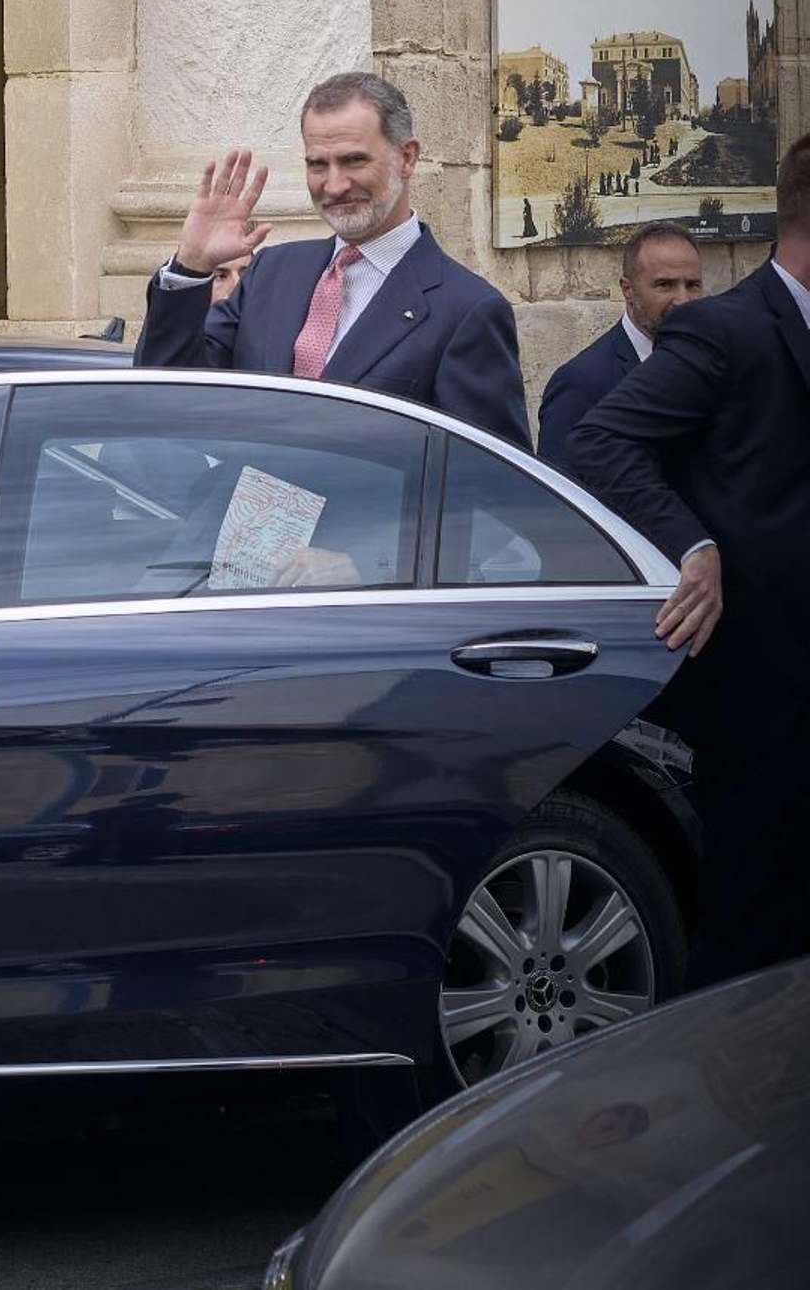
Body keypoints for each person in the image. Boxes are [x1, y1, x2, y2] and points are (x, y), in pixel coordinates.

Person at [567, 134, 810, 989]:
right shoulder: (723, 329)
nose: (676, 294)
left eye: (686, 278)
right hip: (761, 707)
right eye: (660, 282)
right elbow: (601, 444)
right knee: (750, 942)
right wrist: (693, 544)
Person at [134, 70, 530, 448]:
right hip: (235, 513)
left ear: (407, 158)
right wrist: (190, 267)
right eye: (317, 164)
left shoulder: (466, 311)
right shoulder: (271, 273)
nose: (335, 185)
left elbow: (490, 482)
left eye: (354, 160)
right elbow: (169, 395)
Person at [537, 224, 703, 467]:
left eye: (692, 285)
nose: (683, 301)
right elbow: (560, 492)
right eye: (664, 285)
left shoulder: (712, 363)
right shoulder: (581, 382)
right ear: (628, 289)